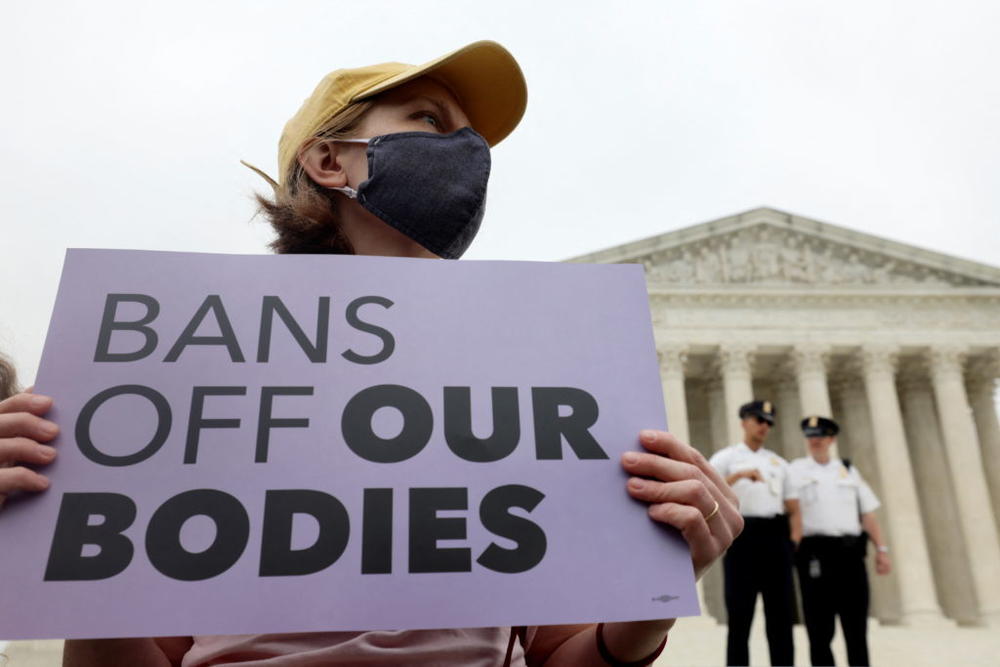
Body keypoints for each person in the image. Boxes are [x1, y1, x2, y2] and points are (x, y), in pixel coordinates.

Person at [1, 40, 743, 666]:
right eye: (430, 120)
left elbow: (560, 649)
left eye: (472, 139)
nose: (468, 153)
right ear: (330, 160)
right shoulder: (191, 369)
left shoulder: (526, 370)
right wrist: (61, 540)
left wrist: (647, 609)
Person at [789, 415, 890, 667]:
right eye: (811, 436)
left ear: (831, 439)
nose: (815, 441)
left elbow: (867, 514)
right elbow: (791, 512)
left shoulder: (848, 470)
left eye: (820, 436)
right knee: (819, 629)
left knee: (856, 627)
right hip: (814, 554)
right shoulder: (795, 470)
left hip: (850, 554)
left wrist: (882, 549)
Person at [709, 399, 799, 667]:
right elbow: (708, 491)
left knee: (781, 616)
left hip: (775, 537)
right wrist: (737, 477)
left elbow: (793, 507)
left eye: (769, 423)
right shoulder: (726, 458)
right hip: (742, 538)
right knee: (740, 616)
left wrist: (793, 542)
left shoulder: (779, 463)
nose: (764, 426)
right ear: (744, 421)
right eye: (759, 420)